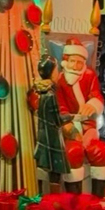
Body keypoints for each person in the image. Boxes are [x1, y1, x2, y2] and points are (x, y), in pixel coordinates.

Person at [55, 38, 105, 195]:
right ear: (66, 61)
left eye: (79, 62)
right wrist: (69, 128)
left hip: (89, 129)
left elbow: (96, 95)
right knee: (73, 153)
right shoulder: (60, 81)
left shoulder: (89, 75)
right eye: (73, 61)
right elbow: (60, 108)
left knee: (102, 152)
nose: (75, 66)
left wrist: (92, 105)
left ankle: (97, 198)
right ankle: (74, 200)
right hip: (69, 130)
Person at [32, 55, 74, 194]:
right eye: (56, 70)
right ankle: (53, 198)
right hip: (52, 139)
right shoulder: (50, 94)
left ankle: (40, 194)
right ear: (51, 72)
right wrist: (71, 117)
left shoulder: (39, 91)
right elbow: (57, 119)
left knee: (44, 168)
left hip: (42, 136)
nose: (58, 73)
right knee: (55, 171)